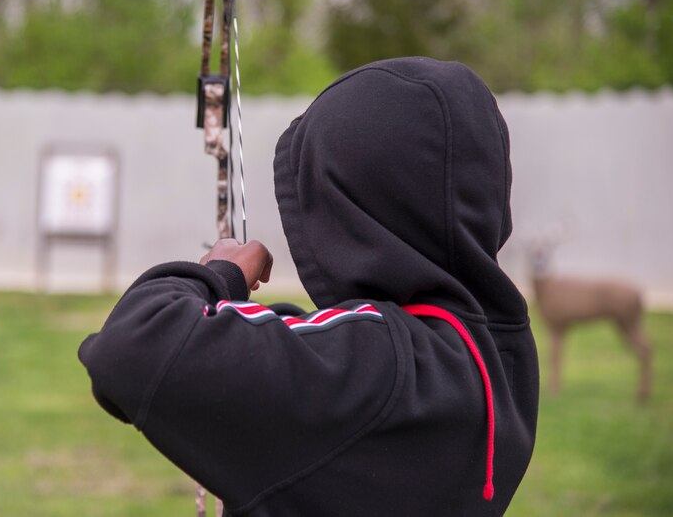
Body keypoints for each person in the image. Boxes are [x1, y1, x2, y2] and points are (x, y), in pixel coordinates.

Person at [78, 57, 539, 516]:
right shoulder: (495, 356)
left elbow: (134, 347)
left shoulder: (381, 364)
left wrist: (220, 274)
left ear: (357, 205)